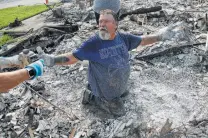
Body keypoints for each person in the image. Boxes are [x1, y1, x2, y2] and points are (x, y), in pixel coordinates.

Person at [40, 9, 179, 116]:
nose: (101, 24)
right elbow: (73, 57)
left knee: (125, 94)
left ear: (116, 24)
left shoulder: (123, 38)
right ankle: (92, 97)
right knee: (120, 113)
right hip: (104, 90)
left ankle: (113, 93)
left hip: (119, 84)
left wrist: (160, 36)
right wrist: (53, 60)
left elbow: (142, 40)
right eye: (100, 22)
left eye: (106, 21)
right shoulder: (94, 43)